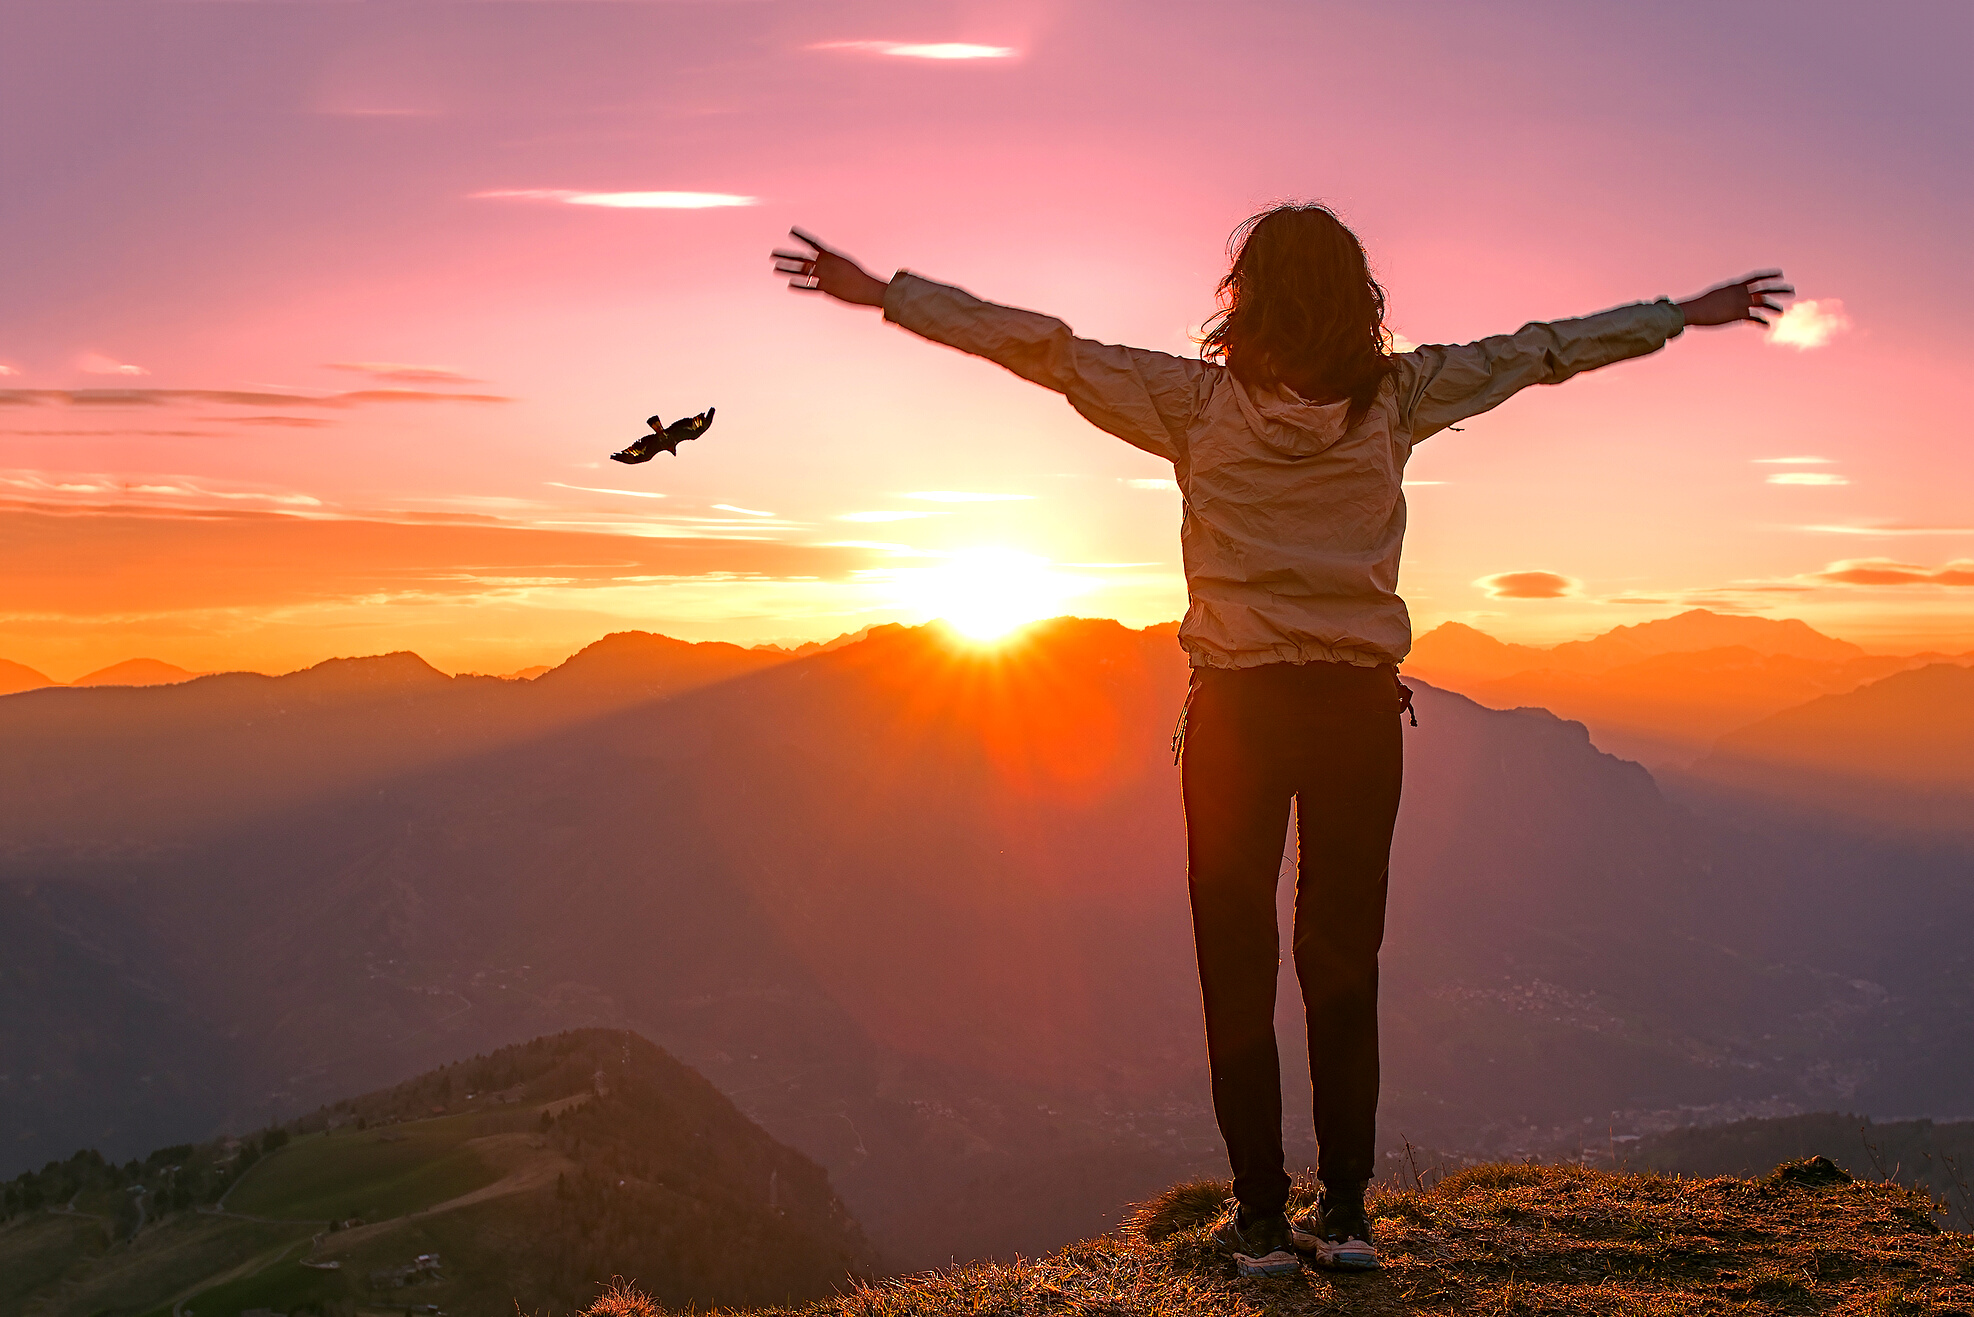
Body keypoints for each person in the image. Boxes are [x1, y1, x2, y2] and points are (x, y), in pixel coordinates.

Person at [770, 210, 1788, 1277]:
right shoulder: (1400, 401)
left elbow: (1045, 350)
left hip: (1238, 719)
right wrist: (1683, 313)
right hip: (1355, 716)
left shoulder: (1190, 404)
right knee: (1342, 966)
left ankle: (1259, 1221)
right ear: (1362, 299)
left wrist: (886, 292)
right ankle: (1345, 1217)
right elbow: (1539, 351)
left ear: (1242, 295)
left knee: (1236, 965)